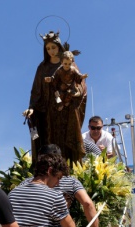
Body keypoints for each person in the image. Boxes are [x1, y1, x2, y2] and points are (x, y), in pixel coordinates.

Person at [23, 31, 87, 164]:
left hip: (67, 111)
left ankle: (70, 172)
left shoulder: (69, 64)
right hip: (48, 113)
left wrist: (76, 92)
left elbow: (80, 84)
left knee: (68, 144)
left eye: (53, 47)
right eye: (48, 48)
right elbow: (36, 90)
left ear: (59, 47)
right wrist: (32, 108)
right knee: (48, 143)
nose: (51, 51)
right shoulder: (42, 68)